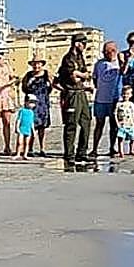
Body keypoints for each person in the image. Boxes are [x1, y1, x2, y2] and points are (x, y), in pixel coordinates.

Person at [55, 32, 92, 169]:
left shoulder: (80, 57)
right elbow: (74, 77)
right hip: (72, 94)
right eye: (83, 43)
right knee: (71, 124)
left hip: (81, 93)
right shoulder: (68, 58)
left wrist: (81, 75)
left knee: (86, 122)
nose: (85, 46)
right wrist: (81, 75)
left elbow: (84, 74)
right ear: (77, 44)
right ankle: (69, 154)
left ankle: (82, 153)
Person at [91, 40, 122, 156]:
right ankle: (94, 149)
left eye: (111, 51)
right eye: (105, 52)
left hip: (115, 99)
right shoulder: (99, 64)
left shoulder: (120, 63)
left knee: (114, 125)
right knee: (99, 124)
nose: (108, 53)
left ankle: (112, 148)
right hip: (100, 99)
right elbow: (94, 79)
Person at [20, 55, 53, 157]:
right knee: (31, 126)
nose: (36, 66)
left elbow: (51, 87)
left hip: (43, 103)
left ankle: (42, 148)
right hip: (31, 104)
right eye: (34, 64)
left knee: (42, 128)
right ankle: (29, 148)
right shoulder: (28, 75)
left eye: (38, 63)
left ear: (42, 64)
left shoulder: (47, 74)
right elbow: (24, 88)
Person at [114, 85, 134, 156]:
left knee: (133, 138)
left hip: (130, 124)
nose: (125, 95)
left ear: (131, 95)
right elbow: (115, 114)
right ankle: (120, 151)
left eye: (127, 94)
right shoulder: (119, 104)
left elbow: (133, 114)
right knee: (120, 138)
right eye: (124, 94)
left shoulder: (131, 104)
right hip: (122, 124)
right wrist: (117, 123)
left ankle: (132, 150)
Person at [14, 95, 36, 159]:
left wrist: (33, 131)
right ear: (26, 102)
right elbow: (18, 119)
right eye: (31, 102)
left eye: (34, 103)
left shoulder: (32, 112)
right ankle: (18, 153)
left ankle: (25, 154)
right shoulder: (22, 111)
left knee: (27, 143)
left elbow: (32, 122)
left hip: (28, 129)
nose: (32, 105)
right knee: (19, 142)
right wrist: (17, 127)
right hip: (21, 128)